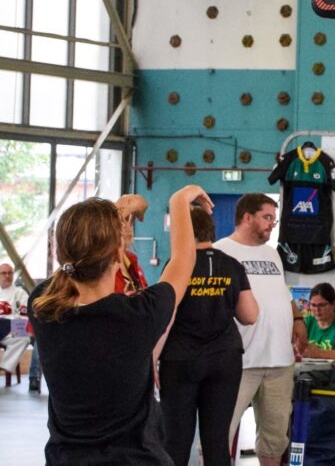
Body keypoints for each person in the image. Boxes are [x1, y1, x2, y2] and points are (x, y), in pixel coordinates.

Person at [28, 184, 211, 465]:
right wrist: (179, 199)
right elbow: (184, 260)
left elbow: (75, 259)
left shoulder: (42, 307)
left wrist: (111, 222)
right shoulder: (137, 316)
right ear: (118, 255)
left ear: (61, 254)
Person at [158, 205, 260, 466]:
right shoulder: (231, 265)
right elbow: (250, 314)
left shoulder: (177, 266)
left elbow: (165, 317)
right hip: (224, 360)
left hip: (181, 360)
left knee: (176, 440)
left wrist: (151, 358)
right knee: (216, 441)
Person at [219, 193, 307, 466]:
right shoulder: (221, 251)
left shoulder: (272, 254)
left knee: (275, 437)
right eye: (267, 217)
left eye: (274, 219)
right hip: (239, 361)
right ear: (247, 218)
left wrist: (297, 318)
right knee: (219, 433)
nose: (272, 224)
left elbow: (281, 292)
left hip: (279, 361)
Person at [0, 262, 31, 381]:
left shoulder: (20, 292)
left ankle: (4, 366)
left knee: (24, 338)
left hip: (10, 326)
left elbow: (26, 313)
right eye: (4, 273)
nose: (7, 276)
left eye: (10, 273)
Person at [115, 193, 150, 295]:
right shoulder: (101, 268)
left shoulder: (132, 262)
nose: (127, 227)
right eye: (124, 220)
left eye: (131, 221)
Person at [302, 282, 335, 359]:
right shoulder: (307, 322)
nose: (317, 310)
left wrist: (320, 353)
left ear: (333, 304)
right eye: (313, 305)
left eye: (322, 305)